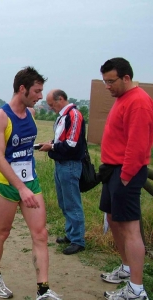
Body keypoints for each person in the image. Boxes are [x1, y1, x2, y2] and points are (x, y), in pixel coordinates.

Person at [0, 67, 62, 300]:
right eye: (37, 91)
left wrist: (40, 146)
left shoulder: (29, 114)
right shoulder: (1, 116)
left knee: (40, 234)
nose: (41, 96)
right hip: (7, 184)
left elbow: (22, 145)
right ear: (22, 89)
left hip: (31, 181)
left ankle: (43, 290)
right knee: (3, 231)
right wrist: (20, 187)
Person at [98, 58, 153, 300]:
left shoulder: (139, 102)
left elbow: (138, 145)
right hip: (113, 170)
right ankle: (127, 268)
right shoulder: (122, 99)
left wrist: (126, 177)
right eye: (105, 82)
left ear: (126, 78)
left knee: (130, 228)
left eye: (111, 81)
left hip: (125, 172)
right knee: (114, 219)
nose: (107, 86)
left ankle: (137, 289)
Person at [38, 89, 86, 255]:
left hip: (70, 164)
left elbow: (71, 143)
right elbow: (62, 140)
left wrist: (51, 146)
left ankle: (78, 240)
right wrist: (52, 143)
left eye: (52, 104)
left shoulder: (74, 115)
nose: (51, 108)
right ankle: (71, 233)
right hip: (61, 164)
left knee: (72, 202)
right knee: (64, 202)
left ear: (61, 99)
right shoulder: (64, 116)